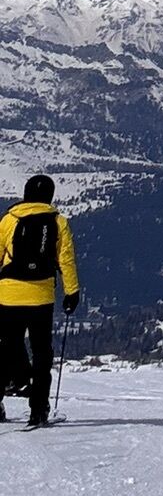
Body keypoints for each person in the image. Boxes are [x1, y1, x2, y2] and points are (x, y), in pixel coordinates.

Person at [0, 175, 81, 427]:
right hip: (41, 297)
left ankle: (9, 388)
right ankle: (38, 409)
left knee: (6, 348)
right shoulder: (58, 221)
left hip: (8, 295)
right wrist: (72, 292)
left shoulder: (9, 219)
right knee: (42, 353)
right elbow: (65, 259)